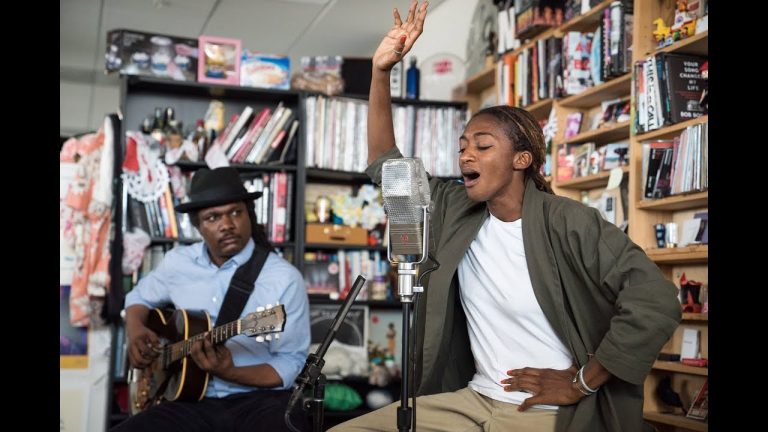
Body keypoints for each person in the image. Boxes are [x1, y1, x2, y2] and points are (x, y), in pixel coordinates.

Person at [330, 2, 682, 431]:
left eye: (482, 145)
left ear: (521, 159)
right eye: (462, 146)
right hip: (473, 399)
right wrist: (380, 72)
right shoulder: (454, 208)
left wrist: (583, 382)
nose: (465, 154)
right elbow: (388, 166)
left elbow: (656, 299)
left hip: (544, 409)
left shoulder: (570, 222)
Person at [113, 167, 310, 432]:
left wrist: (231, 372)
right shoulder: (178, 262)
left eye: (236, 212)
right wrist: (136, 331)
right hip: (186, 400)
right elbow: (138, 297)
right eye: (213, 217)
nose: (227, 224)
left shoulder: (284, 278)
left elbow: (291, 362)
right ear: (197, 225)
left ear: (249, 214)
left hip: (259, 400)